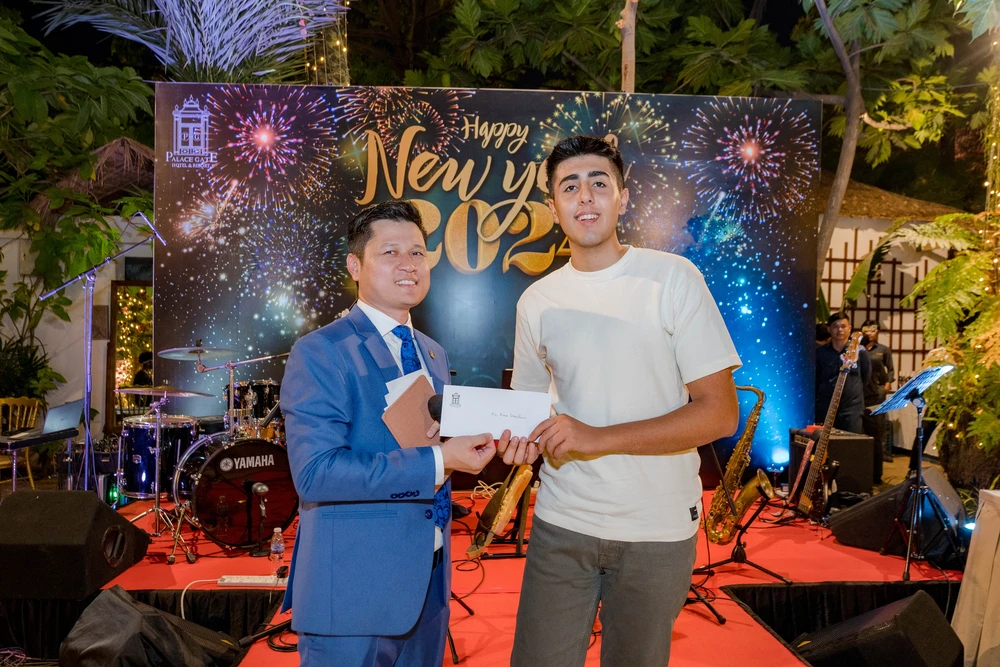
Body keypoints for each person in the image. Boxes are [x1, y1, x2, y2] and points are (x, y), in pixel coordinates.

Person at [500, 135, 742, 667]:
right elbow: (528, 411)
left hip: (656, 528)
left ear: (623, 198)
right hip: (562, 523)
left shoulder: (673, 279)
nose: (585, 196)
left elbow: (720, 413)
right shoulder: (536, 301)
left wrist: (597, 437)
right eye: (569, 186)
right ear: (553, 207)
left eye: (599, 183)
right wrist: (515, 443)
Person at [280, 200, 510, 667]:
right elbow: (316, 474)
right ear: (355, 265)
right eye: (390, 252)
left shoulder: (432, 352)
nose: (409, 264)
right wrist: (442, 461)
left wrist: (478, 446)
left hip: (428, 586)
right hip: (353, 593)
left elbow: (427, 444)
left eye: (418, 253)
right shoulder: (321, 351)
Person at [815, 312, 870, 434]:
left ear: (849, 328)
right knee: (826, 443)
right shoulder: (820, 353)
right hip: (826, 408)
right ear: (829, 329)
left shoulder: (860, 351)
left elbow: (866, 377)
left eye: (843, 326)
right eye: (835, 326)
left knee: (851, 443)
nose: (839, 330)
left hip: (852, 409)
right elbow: (816, 379)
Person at [861, 319, 896, 462]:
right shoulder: (857, 349)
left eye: (873, 330)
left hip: (877, 394)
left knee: (879, 428)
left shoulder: (883, 350)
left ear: (878, 332)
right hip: (861, 393)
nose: (870, 333)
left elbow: (891, 370)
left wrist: (887, 385)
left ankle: (881, 456)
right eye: (866, 331)